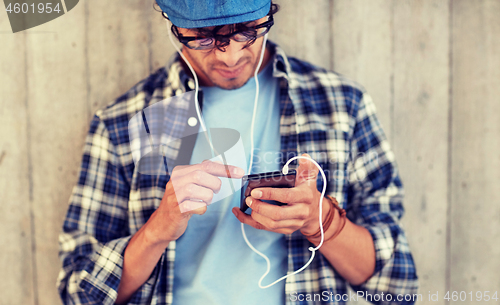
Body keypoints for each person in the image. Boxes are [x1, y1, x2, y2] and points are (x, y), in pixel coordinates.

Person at [57, 1, 419, 304]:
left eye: (248, 30)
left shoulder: (342, 106)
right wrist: (156, 232)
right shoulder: (123, 124)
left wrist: (320, 223)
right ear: (172, 24)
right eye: (203, 37)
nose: (230, 55)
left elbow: (397, 286)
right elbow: (78, 293)